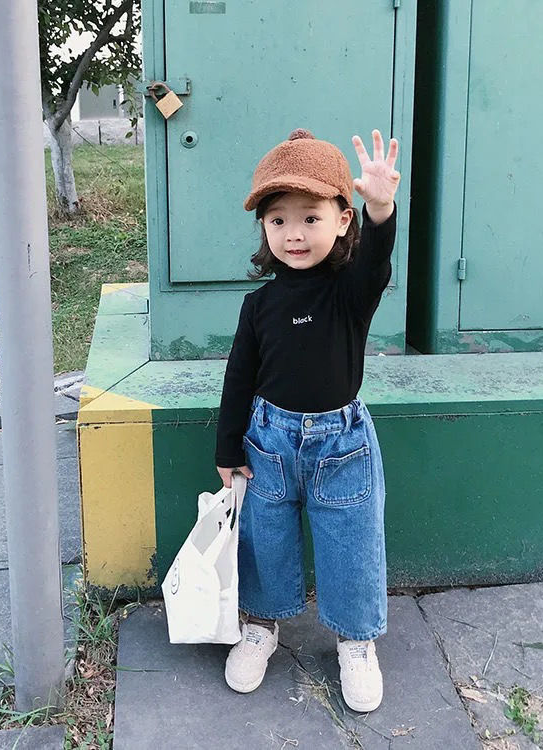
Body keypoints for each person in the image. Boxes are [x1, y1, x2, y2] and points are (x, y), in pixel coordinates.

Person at [214, 127, 400, 713]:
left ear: (342, 221)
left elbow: (376, 261)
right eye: (279, 220)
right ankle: (260, 627)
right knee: (265, 540)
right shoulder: (259, 305)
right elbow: (239, 377)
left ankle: (356, 642)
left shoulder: (350, 292)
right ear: (265, 228)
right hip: (268, 442)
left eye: (310, 218)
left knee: (351, 543)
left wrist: (380, 209)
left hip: (341, 445)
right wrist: (227, 449)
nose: (294, 233)